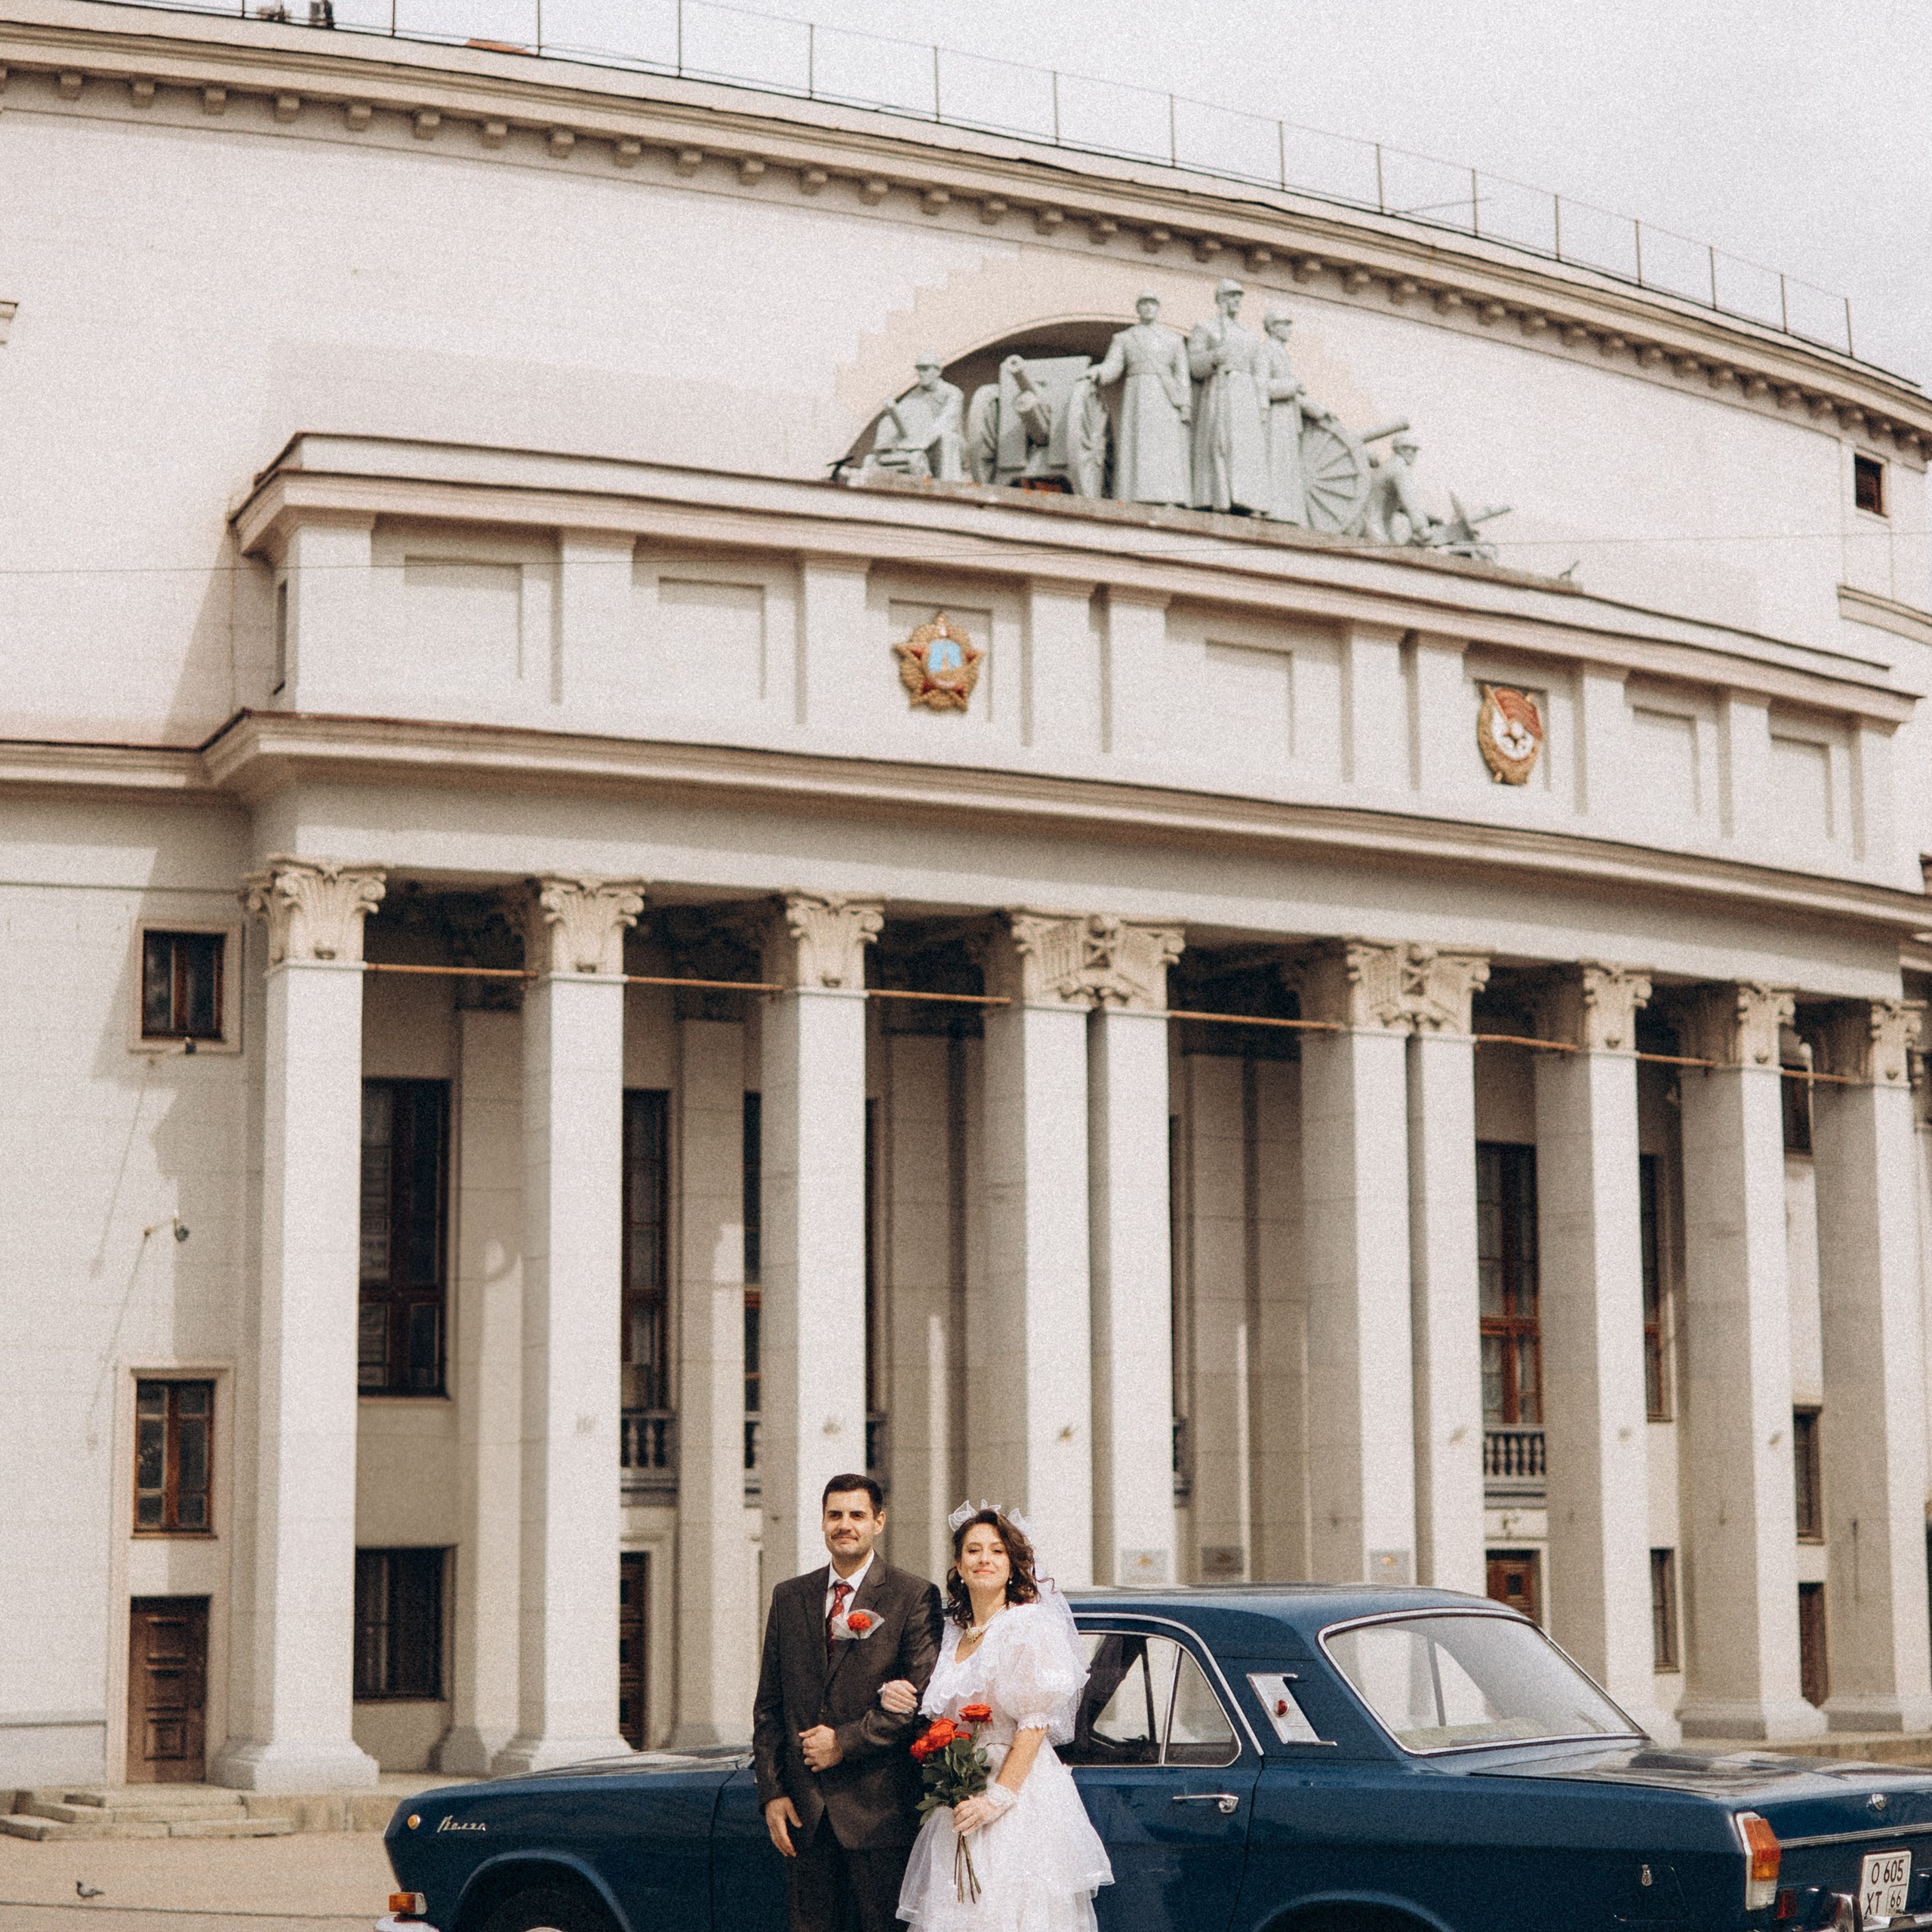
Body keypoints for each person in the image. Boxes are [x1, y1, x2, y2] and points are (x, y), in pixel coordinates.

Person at [879, 1506, 1112, 1932]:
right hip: (959, 1799)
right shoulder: (950, 1633)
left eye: (997, 1551)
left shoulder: (1028, 1625)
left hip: (1017, 1798)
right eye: (973, 1550)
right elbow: (932, 1708)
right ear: (958, 1565)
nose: (984, 1558)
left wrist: (996, 1800)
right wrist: (892, 1691)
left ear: (1012, 1566)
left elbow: (1035, 1722)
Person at [754, 1475, 945, 1932]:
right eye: (835, 1515)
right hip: (805, 1814)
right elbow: (769, 1706)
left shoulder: (912, 1595)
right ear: (822, 1522)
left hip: (879, 1814)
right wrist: (773, 1792)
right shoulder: (788, 1596)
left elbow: (918, 1701)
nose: (845, 1525)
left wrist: (844, 1742)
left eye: (857, 1515)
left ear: (879, 1522)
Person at [1084, 294, 1192, 506]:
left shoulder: (1174, 340)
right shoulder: (1124, 338)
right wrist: (1098, 372)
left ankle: (1168, 496)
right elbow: (1114, 366)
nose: (1149, 308)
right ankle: (1133, 494)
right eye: (1144, 304)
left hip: (1165, 398)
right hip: (1138, 396)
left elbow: (1182, 376)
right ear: (1138, 309)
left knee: (1165, 446)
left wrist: (1185, 405)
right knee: (1137, 444)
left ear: (1158, 308)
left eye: (1153, 304)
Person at [1187, 278, 1271, 515]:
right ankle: (1219, 497)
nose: (1236, 301)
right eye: (1231, 296)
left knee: (1246, 447)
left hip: (1245, 394)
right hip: (1219, 390)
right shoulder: (1206, 328)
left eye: (1239, 297)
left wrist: (1263, 402)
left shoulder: (1250, 336)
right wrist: (1213, 358)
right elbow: (1194, 365)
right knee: (1219, 443)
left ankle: (1248, 499)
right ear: (1221, 299)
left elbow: (1260, 373)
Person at [1258, 306, 1333, 525]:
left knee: (1286, 463)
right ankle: (1274, 508)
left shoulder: (1282, 353)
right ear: (1272, 328)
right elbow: (1262, 386)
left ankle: (1285, 510)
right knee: (1276, 462)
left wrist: (1316, 409)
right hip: (1274, 418)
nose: (1289, 329)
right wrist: (1292, 385)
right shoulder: (1265, 351)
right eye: (1284, 324)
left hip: (1287, 417)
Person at [862, 354, 966, 482]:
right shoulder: (915, 394)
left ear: (938, 371)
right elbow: (902, 414)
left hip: (945, 448)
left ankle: (950, 486)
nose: (921, 374)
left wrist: (921, 442)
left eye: (925, 369)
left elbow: (947, 421)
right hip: (919, 444)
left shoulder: (953, 393)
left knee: (948, 438)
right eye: (919, 370)